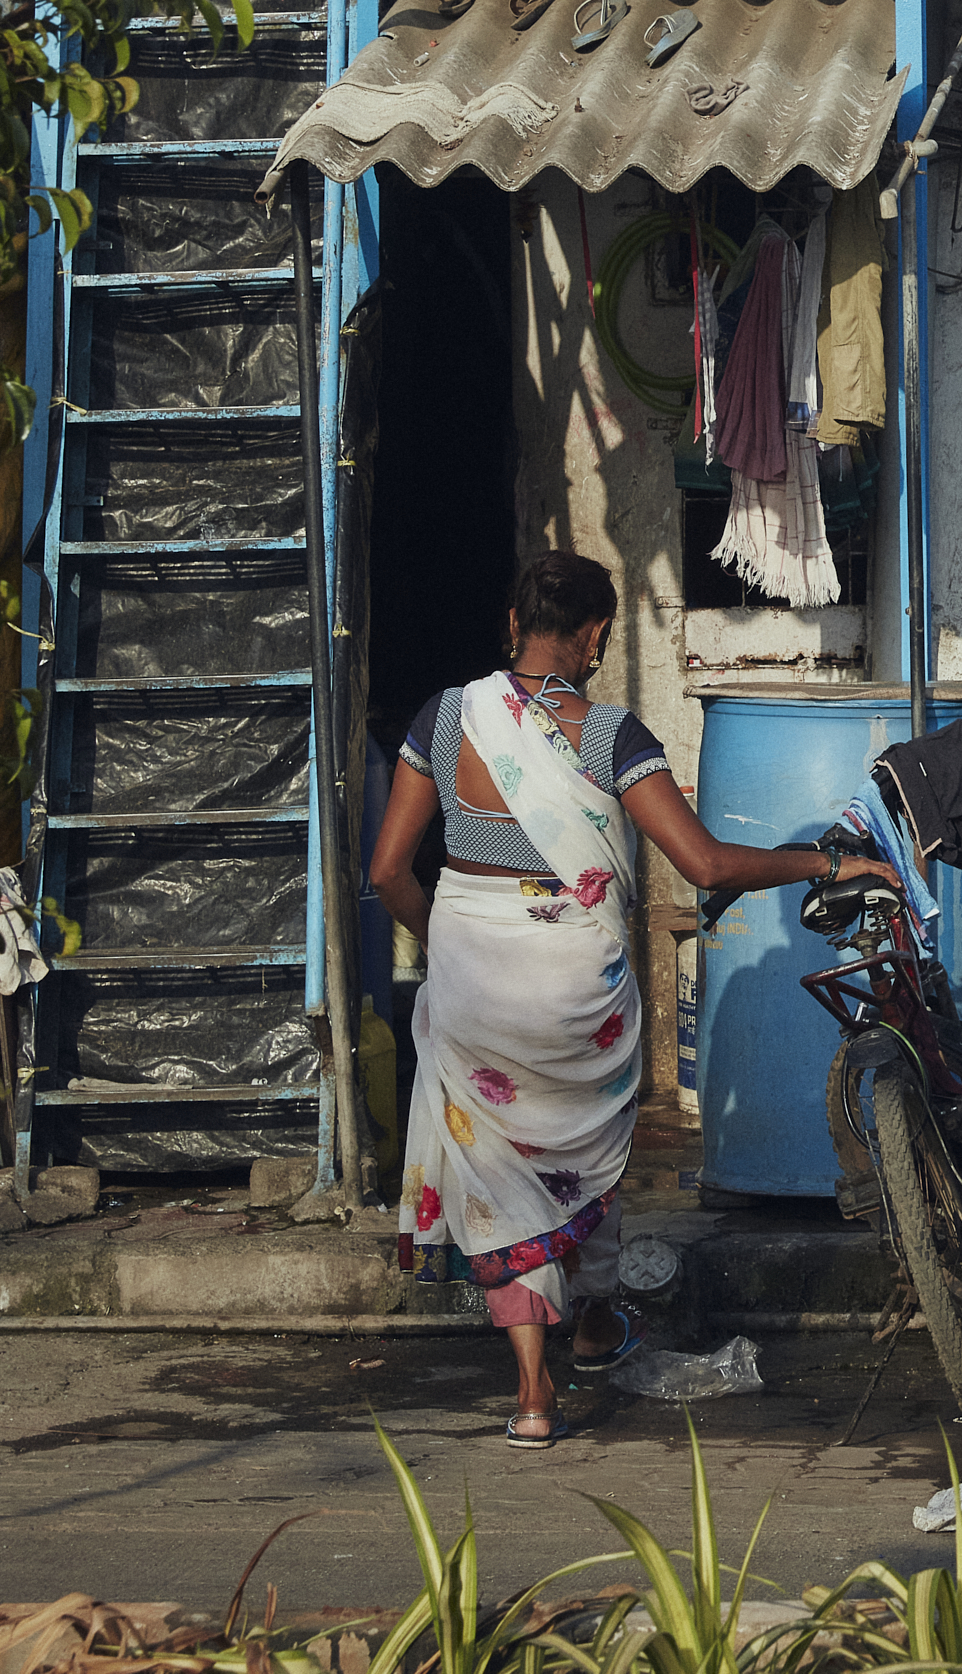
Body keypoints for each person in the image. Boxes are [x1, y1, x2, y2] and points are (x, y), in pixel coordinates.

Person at [369, 551, 892, 1448]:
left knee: (503, 1173)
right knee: (583, 1152)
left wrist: (457, 937)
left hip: (472, 984)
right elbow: (708, 864)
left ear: (512, 622)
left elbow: (387, 872)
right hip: (578, 991)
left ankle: (534, 1392)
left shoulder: (446, 717)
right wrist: (833, 860)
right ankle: (600, 1317)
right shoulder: (611, 736)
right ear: (598, 634)